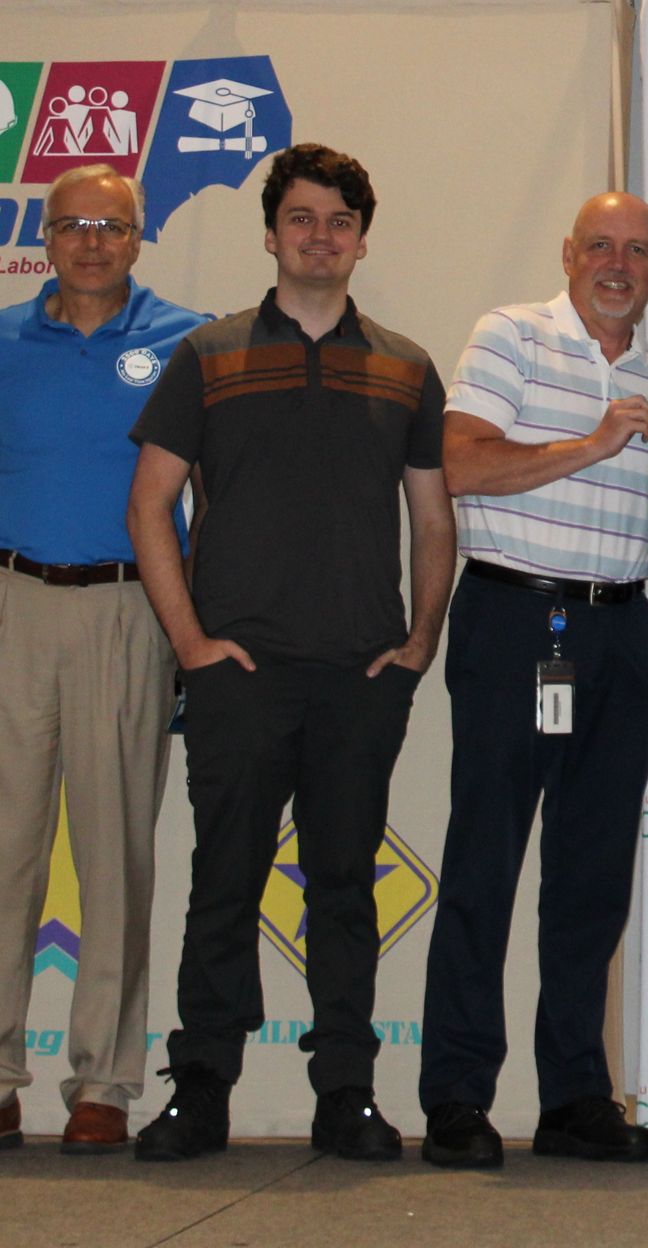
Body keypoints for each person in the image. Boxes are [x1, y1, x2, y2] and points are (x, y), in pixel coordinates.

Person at [126, 143, 455, 1162]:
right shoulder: (208, 353)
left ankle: (345, 1091)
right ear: (271, 234)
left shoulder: (406, 366)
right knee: (223, 881)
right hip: (240, 674)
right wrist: (191, 643)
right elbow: (149, 505)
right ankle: (201, 1089)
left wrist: (419, 642)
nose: (321, 236)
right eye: (302, 219)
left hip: (361, 675)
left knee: (344, 886)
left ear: (362, 241)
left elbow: (432, 519)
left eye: (339, 221)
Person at [418, 192, 648, 1169]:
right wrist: (592, 442)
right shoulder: (511, 335)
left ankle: (575, 1094)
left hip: (619, 626)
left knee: (591, 875)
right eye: (601, 246)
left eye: (638, 250)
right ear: (569, 254)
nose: (619, 264)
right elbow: (459, 464)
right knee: (485, 861)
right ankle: (457, 1093)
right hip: (517, 618)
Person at [0, 164, 207, 1155]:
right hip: (12, 605)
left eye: (110, 225)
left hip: (131, 608)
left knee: (116, 857)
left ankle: (104, 1083)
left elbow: (218, 494)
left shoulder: (188, 341)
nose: (91, 241)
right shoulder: (3, 339)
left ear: (137, 236)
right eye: (72, 224)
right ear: (43, 236)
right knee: (3, 852)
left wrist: (193, 623)